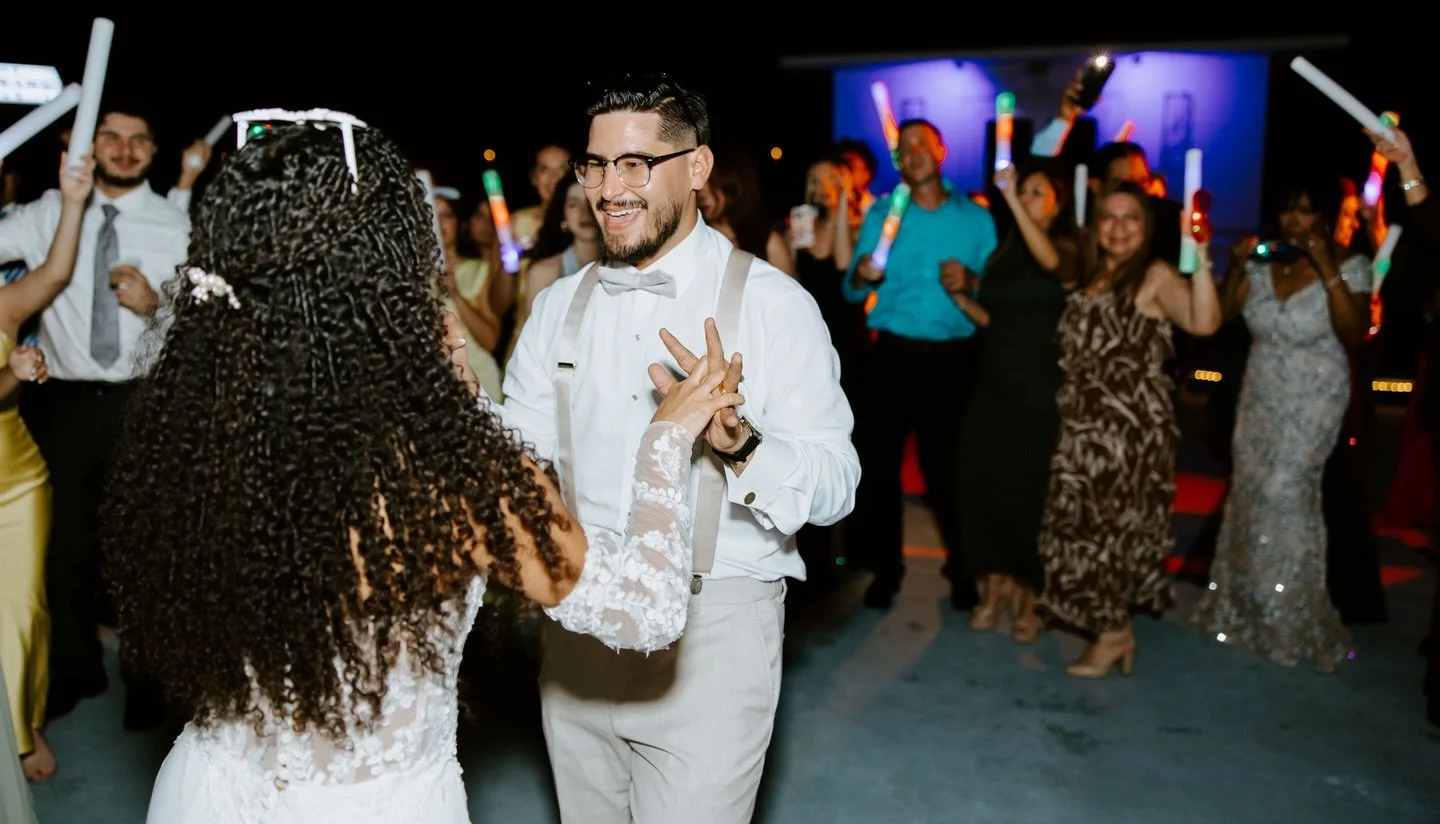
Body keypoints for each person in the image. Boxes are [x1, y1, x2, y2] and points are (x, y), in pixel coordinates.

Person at [99, 113, 744, 824]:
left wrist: (453, 397)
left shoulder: (195, 432)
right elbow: (644, 609)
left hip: (209, 793)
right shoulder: (451, 474)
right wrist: (666, 439)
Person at [500, 73, 859, 824]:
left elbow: (836, 484)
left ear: (696, 168)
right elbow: (519, 458)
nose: (609, 188)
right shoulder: (555, 308)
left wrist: (742, 445)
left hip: (714, 636)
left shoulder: (774, 305)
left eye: (636, 164)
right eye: (595, 165)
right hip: (579, 624)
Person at [842, 118, 998, 611]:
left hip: (955, 359)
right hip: (893, 354)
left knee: (951, 472)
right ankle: (886, 570)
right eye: (903, 148)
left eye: (921, 143)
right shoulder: (884, 212)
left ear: (941, 149)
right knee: (880, 469)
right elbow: (853, 287)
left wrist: (973, 280)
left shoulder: (975, 218)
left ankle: (964, 569)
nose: (912, 153)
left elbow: (997, 292)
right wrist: (863, 274)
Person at [0, 153, 95, 784]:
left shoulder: (3, 303)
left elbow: (57, 272)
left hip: (13, 479)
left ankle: (23, 726)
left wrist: (72, 199)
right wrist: (12, 372)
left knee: (23, 606)